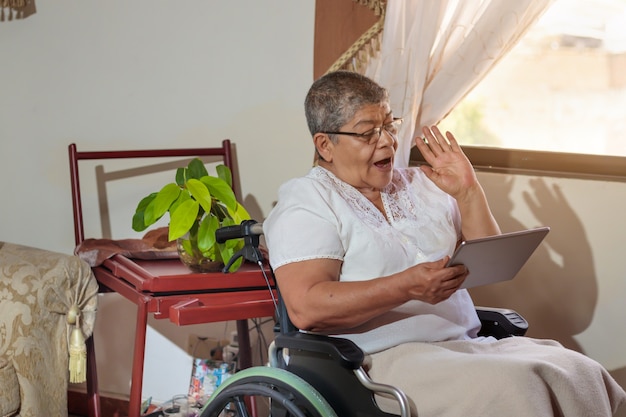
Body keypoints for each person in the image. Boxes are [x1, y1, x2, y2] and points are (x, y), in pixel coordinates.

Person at [262, 70, 626, 416]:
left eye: (389, 125)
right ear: (325, 144)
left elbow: (494, 265)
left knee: (577, 370)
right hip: (378, 362)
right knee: (515, 385)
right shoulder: (307, 203)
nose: (387, 140)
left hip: (467, 346)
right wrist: (405, 287)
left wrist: (469, 193)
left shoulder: (420, 185)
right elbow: (307, 308)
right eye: (368, 132)